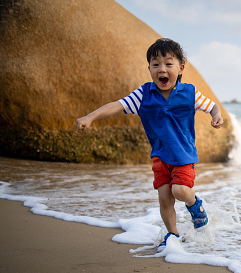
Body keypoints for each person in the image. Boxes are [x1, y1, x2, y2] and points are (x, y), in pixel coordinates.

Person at [76, 38, 224, 252]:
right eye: (156, 65)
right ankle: (173, 235)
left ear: (180, 68)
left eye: (168, 64)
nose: (162, 69)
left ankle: (195, 205)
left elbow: (212, 106)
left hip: (184, 156)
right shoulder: (143, 95)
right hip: (160, 157)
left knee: (180, 191)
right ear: (150, 69)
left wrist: (216, 116)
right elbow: (117, 105)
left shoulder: (189, 93)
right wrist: (91, 117)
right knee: (165, 198)